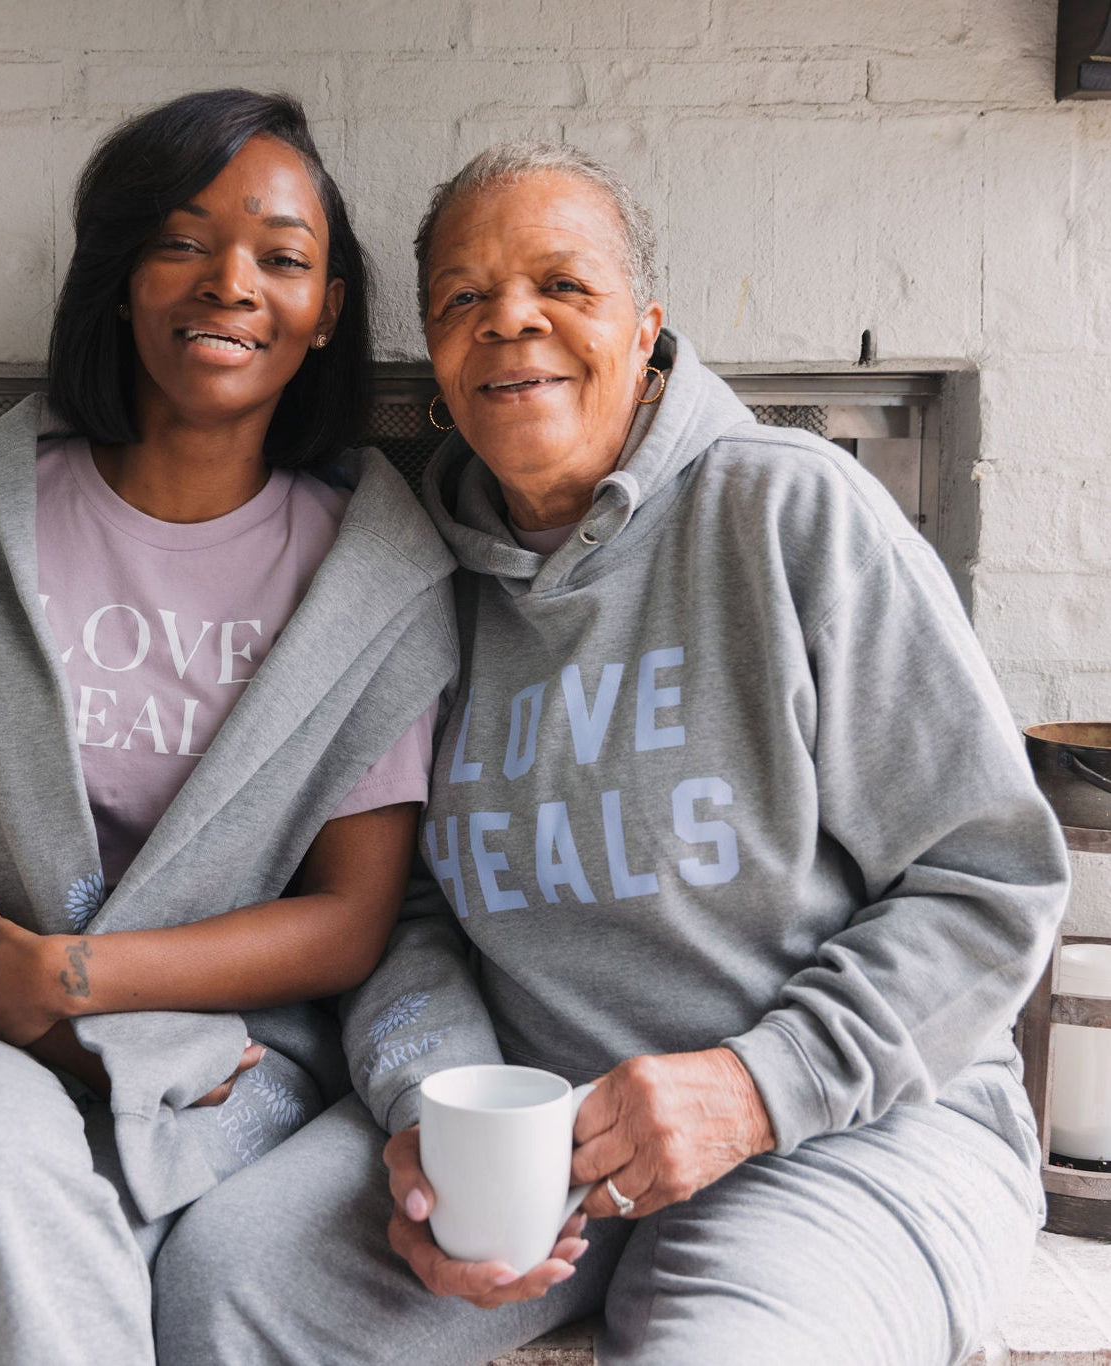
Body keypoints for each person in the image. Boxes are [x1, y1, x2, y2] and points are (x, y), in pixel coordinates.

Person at [162, 142, 1071, 1365]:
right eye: (462, 300)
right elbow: (401, 907)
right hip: (544, 1140)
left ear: (645, 327)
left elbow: (991, 879)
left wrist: (755, 1087)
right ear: (433, 358)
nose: (509, 321)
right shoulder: (401, 578)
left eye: (562, 286)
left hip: (846, 1129)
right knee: (223, 1282)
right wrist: (440, 1111)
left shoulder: (793, 514)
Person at [0, 89, 456, 1366]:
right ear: (117, 281)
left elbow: (350, 918)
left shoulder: (372, 577)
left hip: (238, 1055)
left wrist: (86, 988)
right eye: (180, 240)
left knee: (165, 1247)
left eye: (281, 256)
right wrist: (41, 1019)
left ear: (325, 314)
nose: (229, 283)